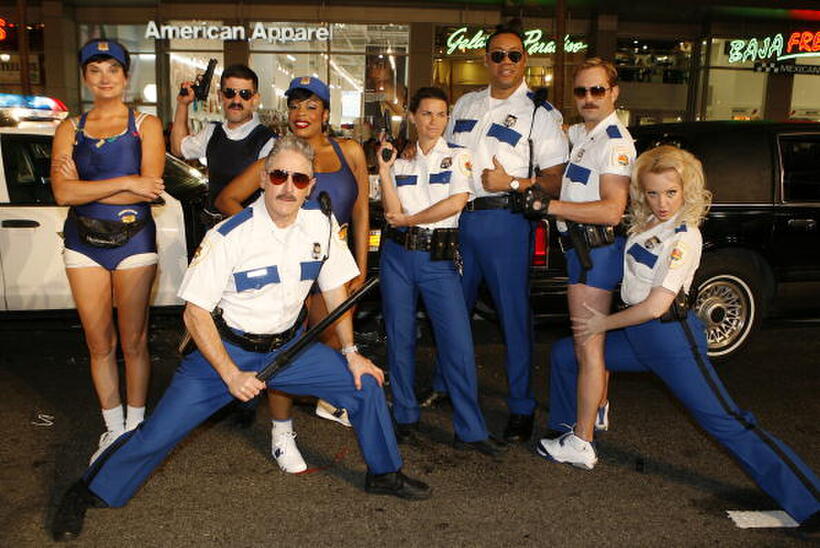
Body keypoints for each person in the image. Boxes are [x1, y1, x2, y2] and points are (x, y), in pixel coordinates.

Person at [50, 136, 432, 543]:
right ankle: (89, 491)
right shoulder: (230, 236)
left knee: (366, 383)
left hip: (289, 349)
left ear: (310, 184)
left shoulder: (319, 225)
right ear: (264, 179)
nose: (288, 187)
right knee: (157, 434)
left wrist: (353, 353)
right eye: (280, 176)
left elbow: (336, 288)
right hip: (224, 353)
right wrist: (231, 375)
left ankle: (384, 473)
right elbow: (194, 313)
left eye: (299, 179)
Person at [536, 145, 819, 528]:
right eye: (652, 192)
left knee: (725, 420)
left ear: (687, 189)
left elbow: (655, 306)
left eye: (670, 192)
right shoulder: (645, 224)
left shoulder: (685, 237)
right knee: (567, 354)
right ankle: (571, 434)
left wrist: (602, 325)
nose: (662, 201)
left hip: (670, 339)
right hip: (638, 337)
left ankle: (809, 500)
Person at [216, 76, 370, 472]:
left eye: (311, 106)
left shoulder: (349, 149)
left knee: (333, 343)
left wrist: (362, 263)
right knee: (285, 351)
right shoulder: (281, 155)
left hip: (333, 267)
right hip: (288, 270)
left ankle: (326, 400)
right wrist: (265, 234)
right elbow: (227, 199)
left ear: (326, 113)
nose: (302, 114)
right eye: (295, 106)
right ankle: (282, 434)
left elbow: (361, 212)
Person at [438, 20, 569, 442]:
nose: (505, 62)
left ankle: (521, 406)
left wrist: (513, 183)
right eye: (498, 54)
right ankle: (447, 386)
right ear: (486, 59)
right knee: (451, 310)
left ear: (524, 60)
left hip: (505, 221)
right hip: (461, 218)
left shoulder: (541, 114)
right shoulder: (464, 105)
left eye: (514, 54)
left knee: (513, 317)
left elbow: (555, 178)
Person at [50, 39, 165, 464]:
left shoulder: (146, 124)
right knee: (99, 343)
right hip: (82, 244)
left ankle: (136, 428)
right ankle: (113, 430)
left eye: (112, 69)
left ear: (125, 75)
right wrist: (126, 182)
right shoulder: (69, 128)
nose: (104, 78)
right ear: (84, 76)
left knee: (133, 340)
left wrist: (92, 189)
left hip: (135, 242)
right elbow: (63, 193)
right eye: (95, 70)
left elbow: (151, 188)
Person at [376, 86, 505, 457]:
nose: (434, 121)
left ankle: (470, 428)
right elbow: (391, 209)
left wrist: (410, 219)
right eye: (427, 113)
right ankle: (404, 416)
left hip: (438, 259)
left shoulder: (459, 156)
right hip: (398, 257)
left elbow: (456, 202)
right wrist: (385, 171)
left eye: (441, 114)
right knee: (400, 340)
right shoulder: (399, 159)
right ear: (413, 116)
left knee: (458, 345)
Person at [539, 58, 636, 443]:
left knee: (588, 346)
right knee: (589, 345)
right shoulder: (588, 135)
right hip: (583, 252)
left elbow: (612, 210)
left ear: (614, 93)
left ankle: (582, 441)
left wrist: (550, 207)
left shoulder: (613, 143)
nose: (589, 98)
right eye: (581, 91)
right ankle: (596, 413)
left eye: (598, 90)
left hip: (593, 252)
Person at [170, 63, 275, 213]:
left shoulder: (268, 142)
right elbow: (178, 149)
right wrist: (182, 104)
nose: (236, 101)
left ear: (255, 99)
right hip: (211, 228)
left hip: (247, 229)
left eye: (245, 94)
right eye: (230, 93)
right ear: (220, 96)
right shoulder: (212, 131)